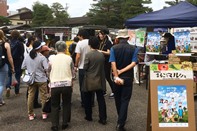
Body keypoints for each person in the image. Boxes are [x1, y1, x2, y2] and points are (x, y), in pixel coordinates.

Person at [109, 29, 138, 131]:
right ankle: (120, 123)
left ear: (118, 38)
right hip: (128, 78)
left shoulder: (113, 48)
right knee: (125, 100)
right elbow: (133, 63)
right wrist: (122, 71)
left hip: (116, 78)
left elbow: (113, 63)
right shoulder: (133, 48)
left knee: (117, 99)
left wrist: (117, 74)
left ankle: (120, 119)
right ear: (128, 38)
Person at [49, 41, 74, 131]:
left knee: (55, 104)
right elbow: (73, 72)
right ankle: (65, 123)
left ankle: (54, 125)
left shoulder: (52, 59)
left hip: (55, 84)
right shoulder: (69, 58)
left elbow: (48, 70)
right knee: (66, 103)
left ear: (56, 48)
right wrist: (72, 81)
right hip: (67, 83)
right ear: (65, 49)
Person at [21, 40, 48, 121]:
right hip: (42, 79)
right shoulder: (42, 57)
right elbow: (46, 68)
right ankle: (44, 113)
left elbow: (23, 66)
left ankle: (31, 114)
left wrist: (29, 70)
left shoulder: (27, 56)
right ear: (40, 48)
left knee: (30, 96)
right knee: (43, 97)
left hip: (31, 79)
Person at [82, 36, 107, 124]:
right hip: (99, 79)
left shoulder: (88, 55)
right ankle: (103, 118)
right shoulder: (101, 55)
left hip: (89, 79)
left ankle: (89, 116)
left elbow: (85, 67)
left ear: (90, 44)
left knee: (88, 98)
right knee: (101, 99)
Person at [74, 29, 91, 107]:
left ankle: (84, 102)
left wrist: (76, 65)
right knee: (91, 85)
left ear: (81, 35)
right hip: (91, 67)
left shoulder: (79, 43)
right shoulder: (91, 42)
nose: (78, 37)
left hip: (82, 67)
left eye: (78, 35)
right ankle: (91, 102)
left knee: (82, 86)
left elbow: (78, 56)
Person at [6, 30, 24, 96]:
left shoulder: (8, 43)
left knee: (9, 75)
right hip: (18, 60)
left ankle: (8, 87)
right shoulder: (20, 43)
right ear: (18, 35)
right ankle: (17, 91)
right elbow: (22, 53)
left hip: (9, 60)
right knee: (17, 75)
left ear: (11, 35)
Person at [98, 29, 114, 98]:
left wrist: (100, 51)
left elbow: (109, 52)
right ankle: (103, 91)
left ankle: (114, 91)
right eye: (99, 34)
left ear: (105, 35)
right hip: (101, 61)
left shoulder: (108, 42)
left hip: (107, 62)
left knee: (107, 77)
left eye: (101, 34)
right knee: (102, 77)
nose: (100, 35)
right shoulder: (100, 42)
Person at [0, 30, 14, 106]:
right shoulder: (6, 44)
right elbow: (9, 57)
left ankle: (1, 100)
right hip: (3, 65)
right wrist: (12, 66)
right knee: (1, 84)